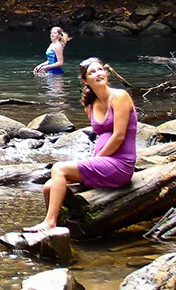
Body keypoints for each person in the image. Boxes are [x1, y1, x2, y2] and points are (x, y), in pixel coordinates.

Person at [24, 57, 137, 232]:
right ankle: (57, 230)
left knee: (59, 168)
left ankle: (50, 223)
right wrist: (95, 161)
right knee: (48, 187)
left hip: (120, 164)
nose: (98, 74)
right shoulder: (90, 106)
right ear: (85, 80)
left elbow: (119, 136)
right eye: (92, 72)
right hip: (104, 163)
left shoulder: (120, 97)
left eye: (100, 69)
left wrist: (95, 160)